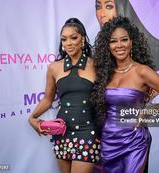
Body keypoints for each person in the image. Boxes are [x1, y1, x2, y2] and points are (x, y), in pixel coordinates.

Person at [91, 16, 159, 173]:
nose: (119, 45)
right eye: (113, 41)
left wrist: (148, 111)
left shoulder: (142, 71)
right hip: (109, 140)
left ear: (131, 42)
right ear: (108, 46)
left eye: (124, 40)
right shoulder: (105, 73)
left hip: (134, 140)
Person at [28, 18, 100, 173]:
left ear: (83, 39)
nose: (68, 43)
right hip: (62, 131)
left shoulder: (96, 65)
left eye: (73, 37)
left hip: (87, 131)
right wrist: (32, 118)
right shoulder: (54, 67)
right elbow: (48, 100)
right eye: (64, 39)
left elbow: (106, 98)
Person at [95, 0, 159, 70]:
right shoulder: (100, 57)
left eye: (109, 6)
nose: (102, 14)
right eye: (98, 7)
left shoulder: (141, 69)